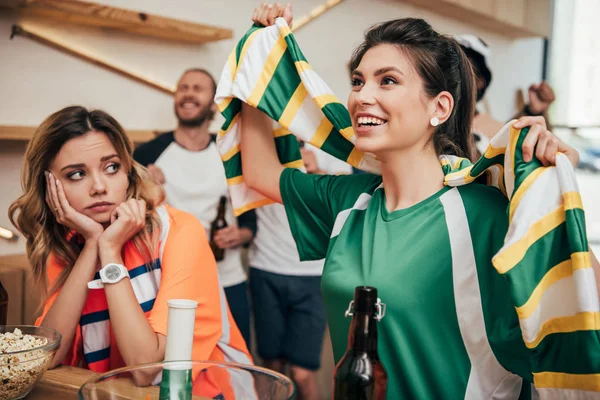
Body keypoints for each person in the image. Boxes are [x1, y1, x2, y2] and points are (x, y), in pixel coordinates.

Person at [235, 4, 600, 398]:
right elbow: (258, 171)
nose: (361, 97)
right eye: (358, 82)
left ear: (439, 107)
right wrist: (259, 56)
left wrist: (555, 192)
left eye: (387, 81)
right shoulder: (348, 202)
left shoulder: (484, 212)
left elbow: (584, 307)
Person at [8, 107, 251, 384]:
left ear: (128, 172)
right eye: (77, 174)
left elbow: (147, 368)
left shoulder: (180, 231)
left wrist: (110, 252)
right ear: (50, 188)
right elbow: (47, 357)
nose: (99, 187)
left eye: (111, 167)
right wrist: (92, 245)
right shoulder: (69, 245)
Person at [133, 68, 256, 347]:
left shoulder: (229, 153)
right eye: (183, 87)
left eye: (198, 88)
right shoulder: (147, 154)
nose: (188, 93)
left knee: (237, 362)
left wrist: (240, 234)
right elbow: (130, 219)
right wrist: (145, 188)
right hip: (171, 283)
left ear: (214, 103)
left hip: (227, 279)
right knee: (181, 365)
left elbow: (250, 223)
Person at [249, 141, 351, 400]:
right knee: (270, 367)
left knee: (303, 373)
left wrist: (316, 173)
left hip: (313, 274)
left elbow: (346, 208)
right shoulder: (262, 146)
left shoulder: (332, 146)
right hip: (266, 266)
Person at [455, 34, 556, 148]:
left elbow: (530, 151)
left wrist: (533, 112)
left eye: (462, 70)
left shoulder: (494, 132)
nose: (452, 76)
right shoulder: (434, 117)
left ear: (480, 82)